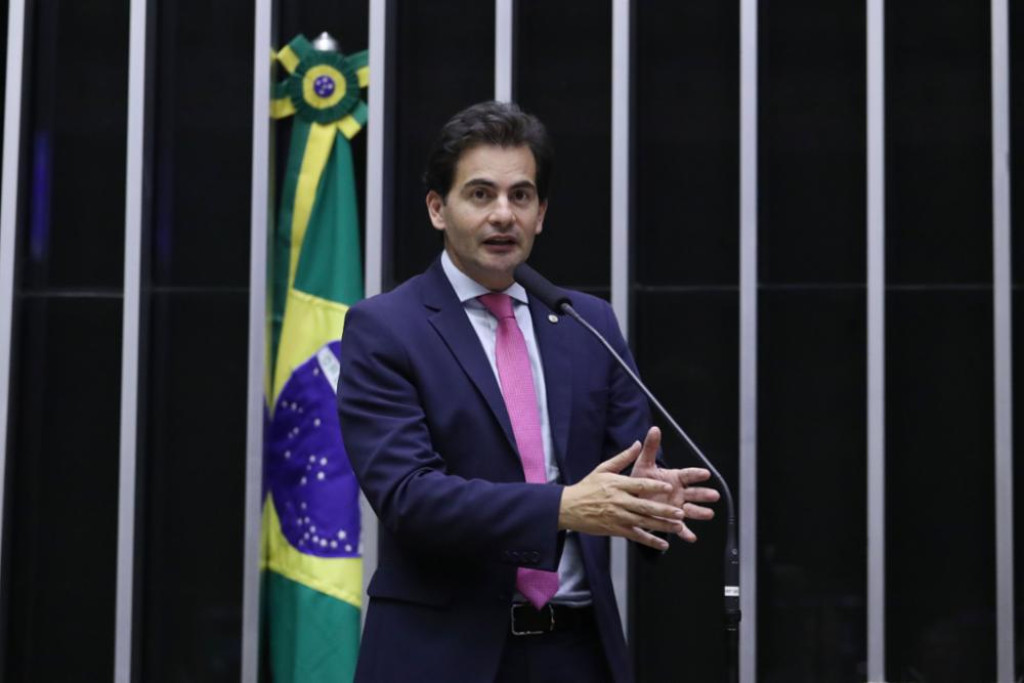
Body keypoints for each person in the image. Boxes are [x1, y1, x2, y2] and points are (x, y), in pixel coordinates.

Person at [336, 101, 719, 682]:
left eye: (521, 196)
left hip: (577, 650)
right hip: (441, 656)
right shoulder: (386, 327)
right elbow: (410, 498)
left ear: (541, 214)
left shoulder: (586, 322)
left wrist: (651, 495)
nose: (503, 215)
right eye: (480, 194)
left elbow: (629, 469)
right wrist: (562, 508)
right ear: (438, 208)